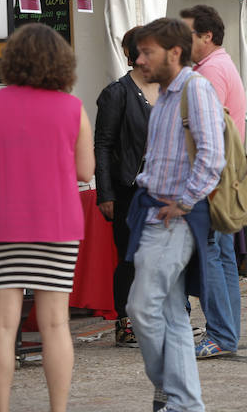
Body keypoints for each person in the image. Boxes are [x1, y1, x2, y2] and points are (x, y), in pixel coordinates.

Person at [127, 18, 226, 412]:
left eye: (146, 51)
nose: (139, 59)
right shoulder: (167, 95)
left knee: (141, 307)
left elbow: (211, 155)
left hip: (174, 218)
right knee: (170, 315)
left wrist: (184, 202)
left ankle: (170, 391)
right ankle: (185, 403)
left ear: (174, 52)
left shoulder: (195, 89)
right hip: (157, 213)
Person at [0, 24, 95, 412]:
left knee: (4, 326)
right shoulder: (73, 107)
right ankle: (58, 409)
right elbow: (85, 171)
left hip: (4, 224)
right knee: (55, 324)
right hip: (56, 226)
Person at [180, 5, 245, 360]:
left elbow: (209, 133)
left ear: (206, 36)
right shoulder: (216, 67)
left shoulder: (211, 73)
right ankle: (226, 332)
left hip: (214, 179)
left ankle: (221, 333)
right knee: (222, 258)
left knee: (212, 259)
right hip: (222, 178)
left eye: (187, 34)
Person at [94, 27, 157, 348]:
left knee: (163, 255)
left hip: (164, 189)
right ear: (132, 55)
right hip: (129, 189)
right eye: (144, 51)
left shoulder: (169, 88)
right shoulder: (117, 93)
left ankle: (161, 317)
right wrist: (105, 193)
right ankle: (125, 321)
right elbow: (102, 145)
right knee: (130, 257)